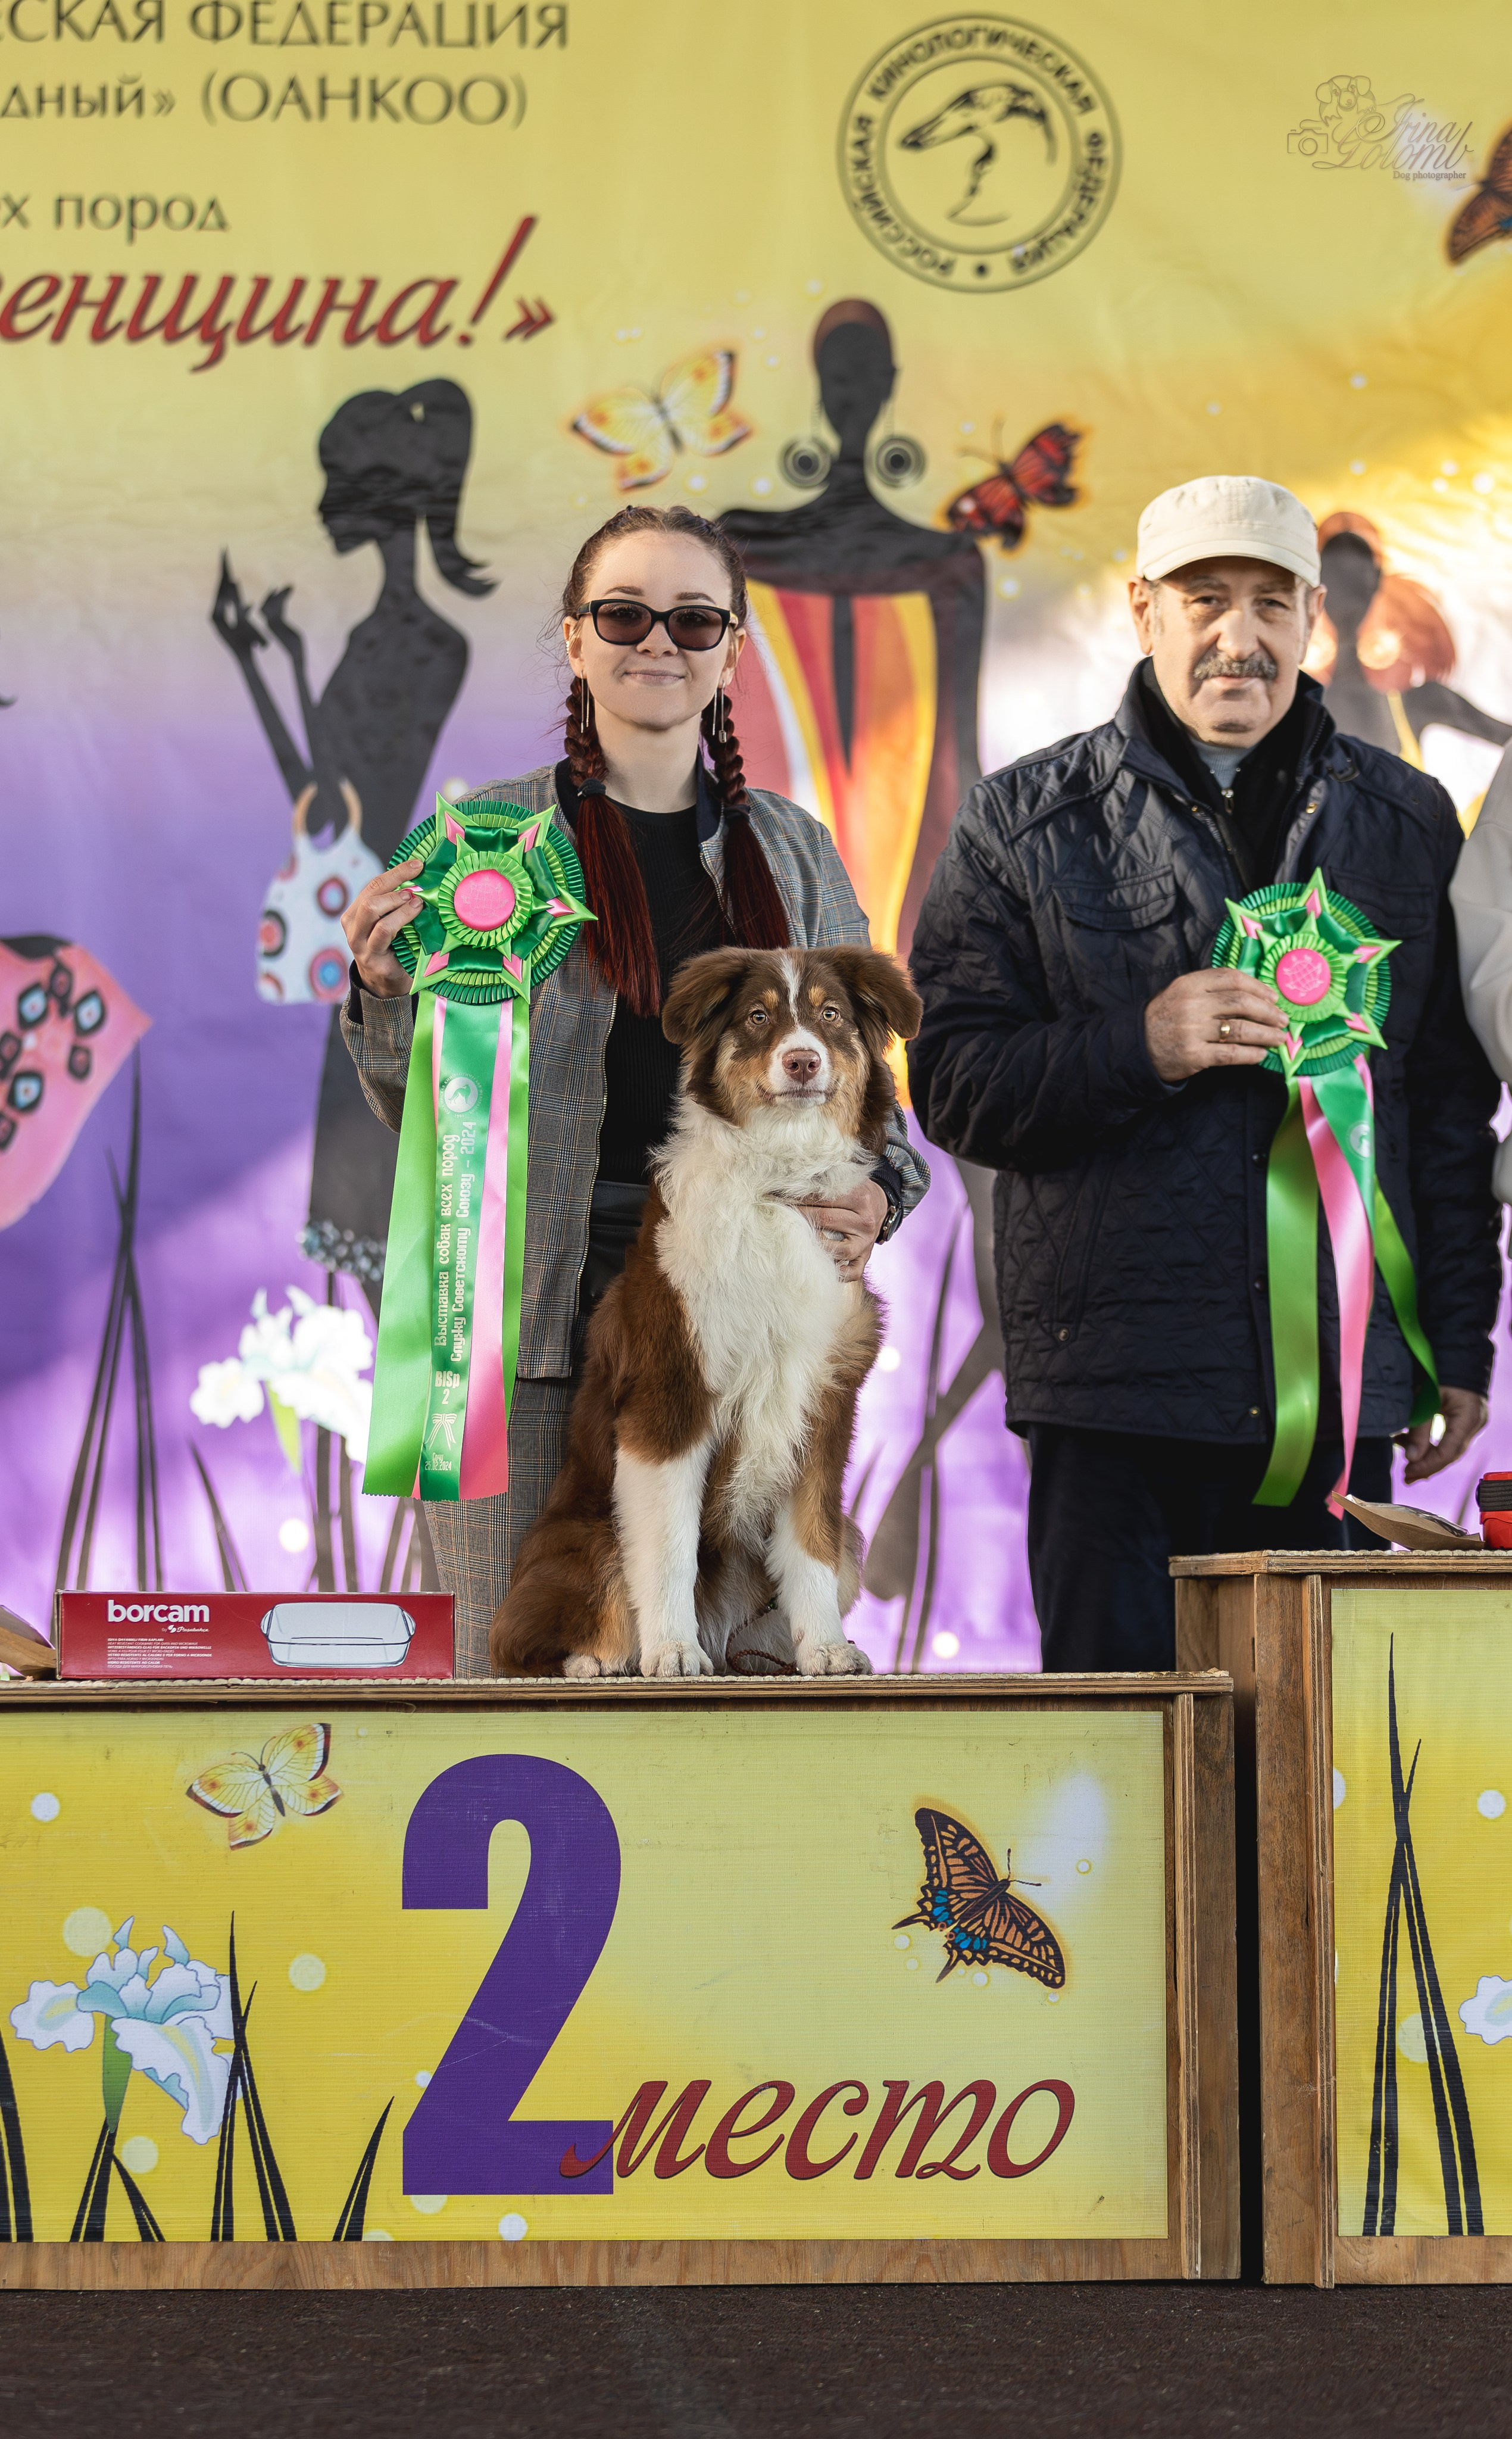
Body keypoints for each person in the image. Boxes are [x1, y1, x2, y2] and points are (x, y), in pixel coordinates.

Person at [908, 475, 1499, 1671]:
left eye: (1270, 603)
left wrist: (1456, 1345)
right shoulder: (1023, 822)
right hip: (1111, 1397)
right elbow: (953, 1081)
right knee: (1121, 1777)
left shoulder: (1411, 819)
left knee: (1313, 1784)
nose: (1240, 636)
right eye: (1204, 598)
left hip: (1339, 1394)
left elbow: (1441, 1105)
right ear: (1142, 611)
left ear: (1312, 619)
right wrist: (1143, 1044)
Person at [337, 504, 929, 1674]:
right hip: (515, 1308)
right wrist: (386, 987)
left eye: (693, 617)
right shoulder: (480, 839)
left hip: (746, 1302)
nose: (656, 640)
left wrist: (883, 1195)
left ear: (732, 649)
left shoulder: (797, 853)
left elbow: (875, 1105)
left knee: (754, 1657)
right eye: (623, 613)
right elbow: (418, 1110)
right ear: (574, 639)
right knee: (525, 1662)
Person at [214, 379, 493, 1300]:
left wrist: (274, 665)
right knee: (376, 1242)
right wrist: (274, 662)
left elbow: (344, 802)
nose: (326, 504)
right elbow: (324, 795)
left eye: (339, 482)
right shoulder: (388, 638)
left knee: (395, 1235)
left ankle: (429, 1444)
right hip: (375, 953)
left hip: (401, 954)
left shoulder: (419, 646)